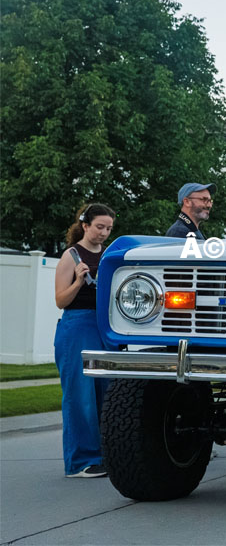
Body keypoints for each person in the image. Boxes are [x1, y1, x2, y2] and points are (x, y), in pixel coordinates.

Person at [53, 203, 117, 478]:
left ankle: (108, 455)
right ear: (85, 225)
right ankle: (81, 462)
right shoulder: (71, 255)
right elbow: (59, 301)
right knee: (81, 396)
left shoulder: (109, 255)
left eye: (109, 229)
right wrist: (79, 281)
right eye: (99, 227)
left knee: (108, 393)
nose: (103, 233)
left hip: (105, 326)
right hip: (76, 325)